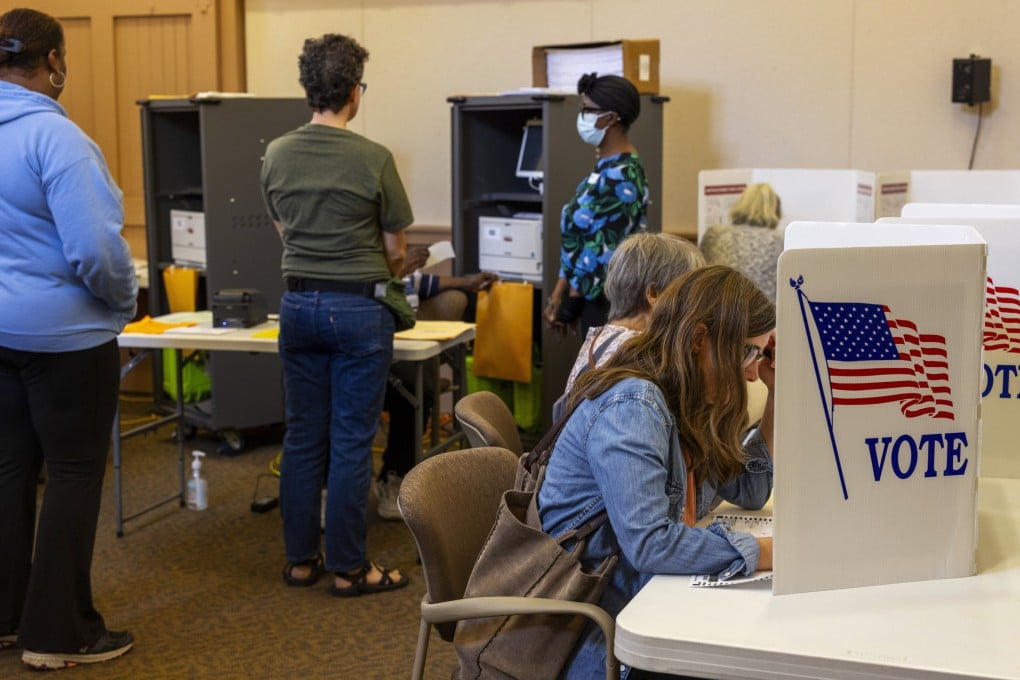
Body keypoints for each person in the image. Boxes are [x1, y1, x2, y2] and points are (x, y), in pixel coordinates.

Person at [539, 265, 776, 679]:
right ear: (699, 340)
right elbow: (652, 545)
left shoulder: (689, 398)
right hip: (593, 632)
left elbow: (751, 490)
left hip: (645, 605)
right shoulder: (634, 405)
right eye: (747, 352)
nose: (753, 371)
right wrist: (769, 553)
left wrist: (778, 393)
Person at [0, 8, 138, 669]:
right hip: (66, 339)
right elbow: (92, 248)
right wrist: (124, 299)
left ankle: (5, 618)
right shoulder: (58, 139)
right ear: (52, 62)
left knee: (8, 470)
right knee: (75, 475)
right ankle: (58, 633)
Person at [260, 33, 412, 596]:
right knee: (351, 441)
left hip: (298, 305)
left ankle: (301, 561)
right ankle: (349, 569)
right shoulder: (373, 158)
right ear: (354, 92)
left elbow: (284, 230)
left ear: (308, 91)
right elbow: (396, 249)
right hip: (358, 309)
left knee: (302, 438)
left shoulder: (276, 153)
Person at [374, 251, 497, 519]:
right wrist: (393, 271)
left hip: (401, 360)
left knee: (415, 393)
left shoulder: (408, 275)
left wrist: (470, 281)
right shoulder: (367, 276)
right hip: (367, 359)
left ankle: (394, 475)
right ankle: (326, 490)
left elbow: (433, 284)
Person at [553, 232, 705, 420]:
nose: (695, 305)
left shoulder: (602, 338)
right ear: (654, 294)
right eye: (688, 293)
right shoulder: (643, 358)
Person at [544, 72, 649, 335]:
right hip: (585, 293)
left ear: (611, 118)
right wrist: (559, 291)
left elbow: (601, 249)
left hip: (605, 301)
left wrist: (571, 302)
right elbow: (578, 238)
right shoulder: (605, 168)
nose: (582, 116)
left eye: (588, 110)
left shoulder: (624, 175)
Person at [700, 182, 785, 303]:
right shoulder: (781, 240)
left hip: (718, 311)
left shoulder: (715, 233)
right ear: (776, 211)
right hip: (764, 316)